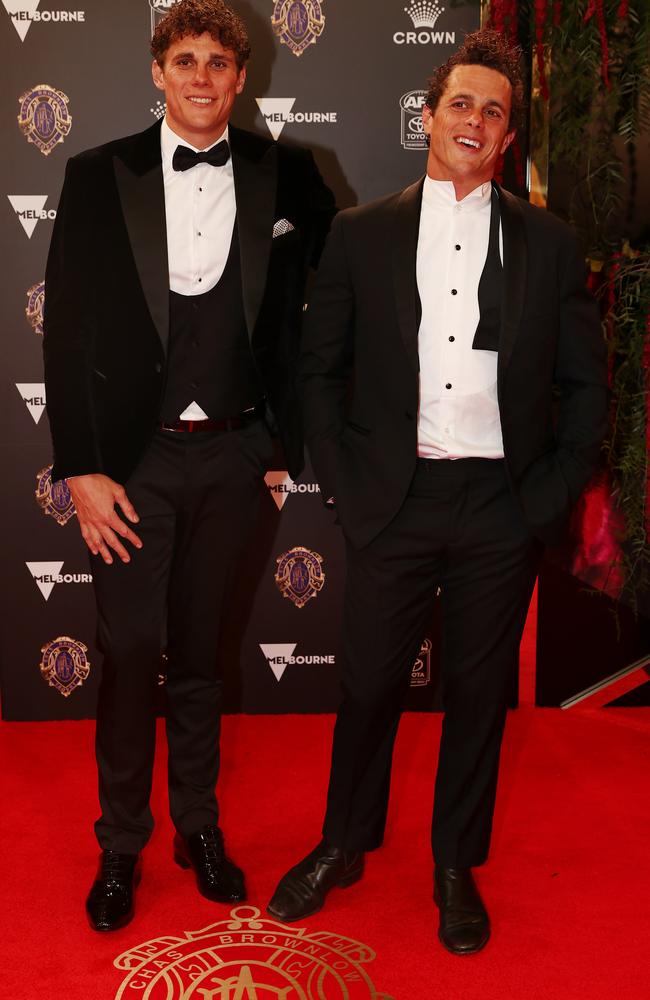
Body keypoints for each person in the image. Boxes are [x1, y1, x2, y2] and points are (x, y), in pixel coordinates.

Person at [268, 29, 607, 955]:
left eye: (494, 111)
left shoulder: (549, 240)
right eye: (461, 102)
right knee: (369, 685)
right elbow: (319, 372)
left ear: (507, 138)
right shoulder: (361, 231)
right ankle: (343, 843)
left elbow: (586, 387)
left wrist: (545, 498)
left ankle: (455, 865)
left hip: (503, 508)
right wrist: (342, 479)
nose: (476, 120)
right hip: (393, 500)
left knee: (477, 693)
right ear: (429, 117)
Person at [43, 0, 335, 932]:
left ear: (241, 79)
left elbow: (337, 303)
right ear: (158, 73)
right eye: (186, 59)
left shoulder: (290, 172)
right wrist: (80, 468)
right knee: (132, 654)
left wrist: (289, 443)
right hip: (132, 468)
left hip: (237, 460)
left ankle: (197, 827)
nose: (203, 76)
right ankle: (121, 841)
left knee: (204, 658)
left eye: (219, 61)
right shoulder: (97, 175)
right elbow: (68, 329)